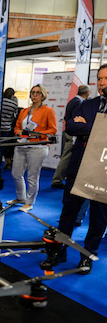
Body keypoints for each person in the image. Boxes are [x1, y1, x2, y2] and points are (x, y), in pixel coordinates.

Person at [42, 65, 107, 275]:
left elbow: (83, 127)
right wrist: (99, 127)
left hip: (103, 171)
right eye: (99, 78)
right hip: (79, 165)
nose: (102, 82)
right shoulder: (87, 104)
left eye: (106, 78)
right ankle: (59, 250)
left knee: (98, 217)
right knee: (68, 211)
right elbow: (71, 126)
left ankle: (87, 255)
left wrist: (89, 127)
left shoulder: (88, 110)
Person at [7, 84, 56, 212]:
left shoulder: (48, 110)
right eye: (33, 92)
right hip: (21, 144)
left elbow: (52, 130)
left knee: (32, 176)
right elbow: (17, 127)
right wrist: (19, 132)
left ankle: (29, 202)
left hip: (37, 146)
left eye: (37, 93)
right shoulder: (24, 111)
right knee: (16, 173)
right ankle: (20, 198)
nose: (34, 95)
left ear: (43, 95)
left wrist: (37, 134)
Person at [51, 84, 91, 188]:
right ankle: (57, 180)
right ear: (87, 93)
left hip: (68, 132)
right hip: (73, 134)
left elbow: (66, 117)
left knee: (67, 156)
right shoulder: (79, 103)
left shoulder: (73, 101)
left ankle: (59, 179)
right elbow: (75, 120)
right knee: (66, 156)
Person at [0, 87, 19, 169]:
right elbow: (14, 117)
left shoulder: (0, 101)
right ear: (12, 95)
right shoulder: (14, 104)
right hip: (7, 128)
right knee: (2, 148)